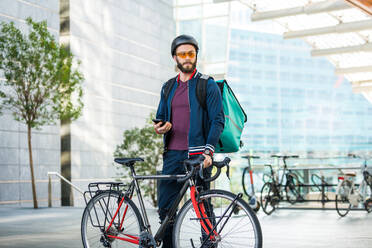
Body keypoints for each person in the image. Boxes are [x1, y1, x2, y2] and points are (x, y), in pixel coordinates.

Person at [154, 34, 225, 248]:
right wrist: (162, 126)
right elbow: (161, 118)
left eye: (191, 53)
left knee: (203, 206)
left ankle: (209, 245)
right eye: (182, 54)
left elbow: (218, 120)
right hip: (172, 154)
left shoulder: (207, 85)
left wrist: (208, 152)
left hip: (197, 155)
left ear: (196, 56)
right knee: (166, 209)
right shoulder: (168, 87)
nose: (187, 58)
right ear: (174, 58)